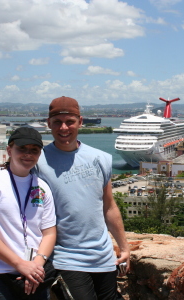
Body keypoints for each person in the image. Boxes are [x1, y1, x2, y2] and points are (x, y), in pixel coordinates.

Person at [36, 96, 130, 299]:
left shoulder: (100, 158)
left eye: (69, 121)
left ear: (80, 121)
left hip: (103, 255)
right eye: (57, 122)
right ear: (48, 124)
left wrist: (124, 247)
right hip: (65, 256)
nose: (63, 128)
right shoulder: (38, 162)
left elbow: (109, 206)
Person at [0, 127, 57, 299]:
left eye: (34, 150)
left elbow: (49, 232)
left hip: (34, 274)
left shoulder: (42, 187)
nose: (28, 154)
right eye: (22, 149)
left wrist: (36, 265)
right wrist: (20, 264)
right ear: (9, 150)